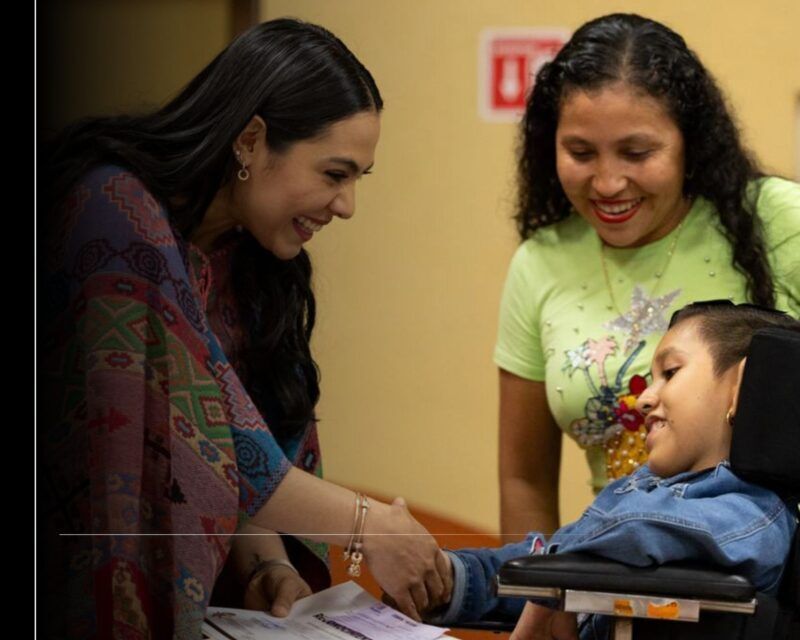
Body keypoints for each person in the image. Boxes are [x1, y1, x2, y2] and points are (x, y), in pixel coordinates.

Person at [38, 18, 450, 639]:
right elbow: (208, 433)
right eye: (334, 174)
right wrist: (370, 525)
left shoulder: (249, 262)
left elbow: (227, 443)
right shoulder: (114, 215)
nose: (346, 206)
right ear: (251, 141)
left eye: (358, 179)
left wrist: (267, 563)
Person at [497, 13, 800, 543]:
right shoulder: (540, 261)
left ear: (690, 142)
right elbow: (525, 479)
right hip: (627, 565)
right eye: (581, 153)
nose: (609, 182)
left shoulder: (780, 221)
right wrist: (542, 595)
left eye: (638, 153)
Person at [430, 301, 799, 639]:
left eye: (670, 372)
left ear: (739, 386)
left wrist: (553, 575)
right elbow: (541, 561)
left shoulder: (753, 514)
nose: (642, 399)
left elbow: (634, 533)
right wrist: (444, 576)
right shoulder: (643, 494)